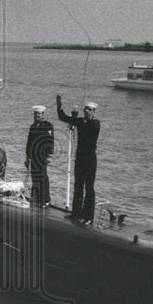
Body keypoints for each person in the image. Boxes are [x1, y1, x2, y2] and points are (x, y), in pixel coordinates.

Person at [56, 95, 101, 224]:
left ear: (93, 112)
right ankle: (76, 213)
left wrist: (76, 121)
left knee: (89, 188)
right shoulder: (81, 122)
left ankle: (88, 217)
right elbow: (63, 118)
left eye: (89, 109)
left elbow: (87, 131)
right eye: (85, 109)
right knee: (78, 186)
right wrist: (59, 107)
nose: (86, 111)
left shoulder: (95, 124)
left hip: (90, 160)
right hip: (80, 159)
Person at [25, 105, 55, 207]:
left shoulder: (47, 126)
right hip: (33, 155)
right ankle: (36, 198)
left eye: (38, 114)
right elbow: (29, 143)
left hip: (42, 155)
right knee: (35, 177)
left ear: (42, 114)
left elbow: (50, 141)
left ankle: (45, 200)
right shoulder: (32, 127)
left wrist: (49, 155)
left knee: (42, 177)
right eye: (35, 114)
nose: (37, 115)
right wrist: (27, 157)